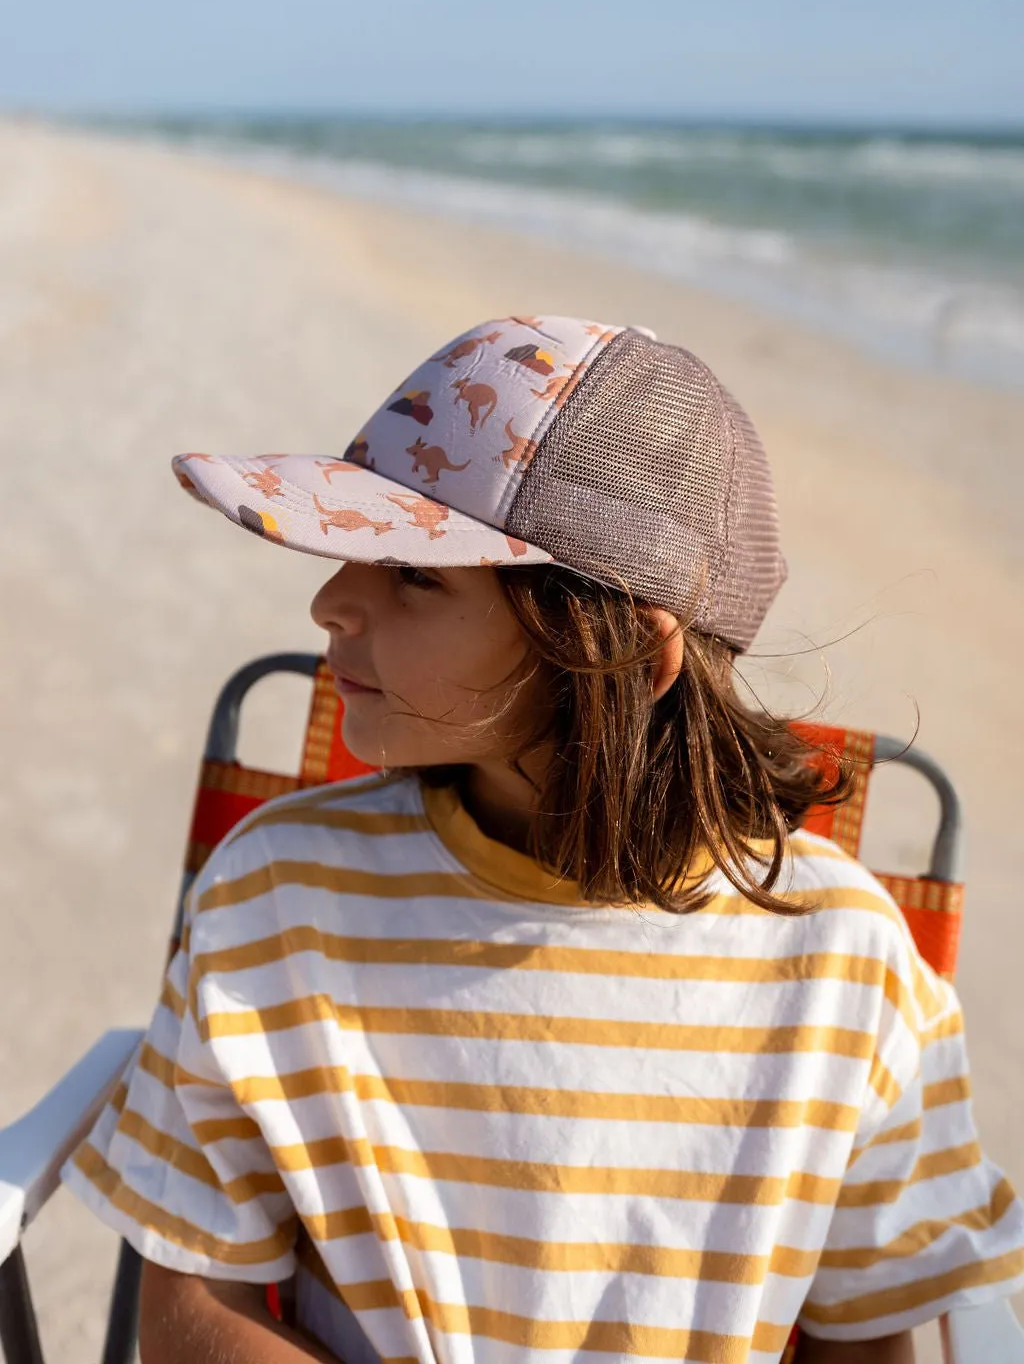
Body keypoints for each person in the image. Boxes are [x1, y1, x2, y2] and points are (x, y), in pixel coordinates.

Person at [63, 316, 1024, 1363]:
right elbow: (194, 1299)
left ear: (612, 657)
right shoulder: (277, 895)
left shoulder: (844, 962)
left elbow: (867, 1336)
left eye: (415, 575)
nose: (330, 601)